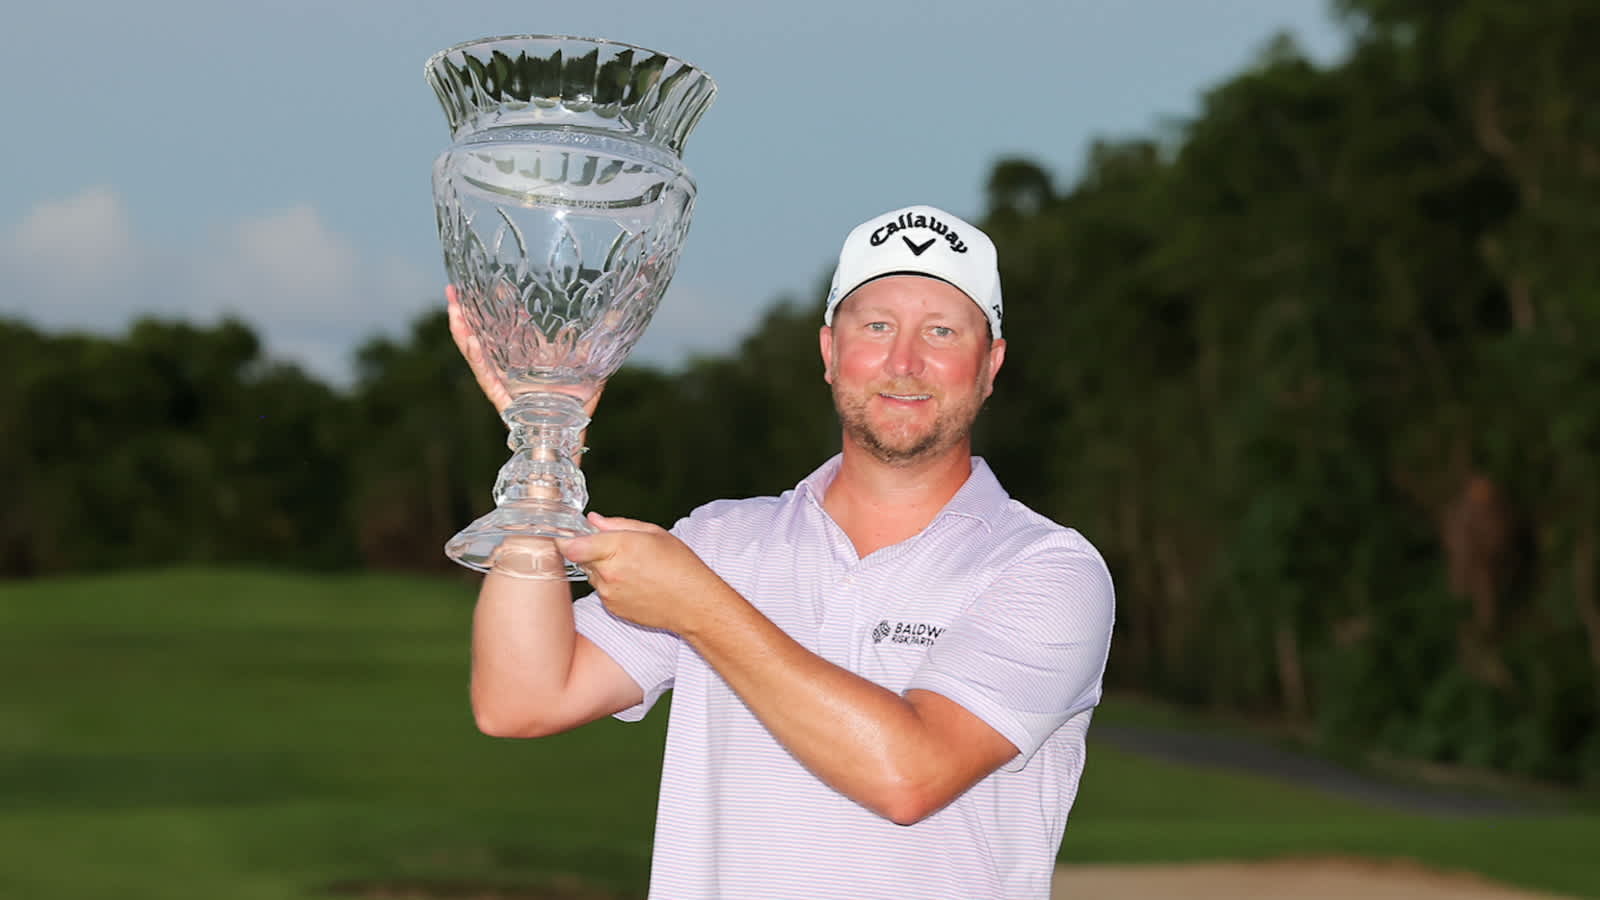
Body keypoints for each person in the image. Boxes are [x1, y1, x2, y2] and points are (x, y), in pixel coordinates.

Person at [448, 204, 1116, 900]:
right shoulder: (719, 542)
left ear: (990, 365)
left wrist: (699, 608)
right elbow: (519, 699)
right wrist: (543, 445)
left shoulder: (1048, 570)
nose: (904, 361)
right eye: (877, 326)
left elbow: (910, 775)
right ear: (830, 352)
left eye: (942, 331)